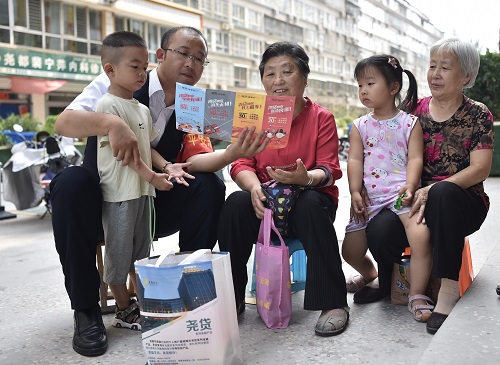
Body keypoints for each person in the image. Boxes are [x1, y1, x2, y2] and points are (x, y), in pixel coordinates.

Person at [50, 26, 268, 357]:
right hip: (103, 201)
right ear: (161, 55)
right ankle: (86, 312)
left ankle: (190, 297)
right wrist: (112, 124)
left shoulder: (194, 104)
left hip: (151, 204)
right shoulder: (117, 81)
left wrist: (231, 153)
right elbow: (63, 124)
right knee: (68, 183)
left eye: (200, 59)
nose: (191, 64)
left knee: (208, 184)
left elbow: (198, 160)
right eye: (184, 53)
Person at [351, 38, 494, 335]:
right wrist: (363, 184)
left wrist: (430, 189)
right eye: (432, 66)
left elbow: (480, 169)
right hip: (409, 200)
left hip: (461, 201)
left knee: (441, 192)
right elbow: (379, 148)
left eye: (445, 67)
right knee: (379, 230)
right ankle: (386, 277)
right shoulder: (412, 110)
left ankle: (448, 288)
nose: (435, 73)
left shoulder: (478, 113)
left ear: (466, 76)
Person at [218, 41, 349, 337]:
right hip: (264, 203)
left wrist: (305, 179)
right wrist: (253, 188)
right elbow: (240, 164)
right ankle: (232, 298)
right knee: (234, 205)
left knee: (311, 203)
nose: (278, 80)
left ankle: (332, 302)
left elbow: (330, 170)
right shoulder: (253, 116)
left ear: (304, 78)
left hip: (307, 202)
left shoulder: (321, 118)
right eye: (270, 74)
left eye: (287, 72)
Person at [342, 55, 433, 322]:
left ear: (393, 88)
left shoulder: (409, 123)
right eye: (360, 85)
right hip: (369, 199)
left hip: (398, 197)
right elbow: (355, 159)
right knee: (349, 251)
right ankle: (372, 275)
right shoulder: (360, 125)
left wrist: (411, 185)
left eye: (370, 83)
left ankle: (416, 294)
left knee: (420, 237)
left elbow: (416, 158)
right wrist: (355, 191)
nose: (363, 91)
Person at [96, 31, 175, 331]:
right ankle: (123, 309)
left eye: (145, 67)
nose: (142, 73)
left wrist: (166, 168)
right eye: (134, 66)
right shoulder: (108, 105)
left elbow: (148, 147)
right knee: (118, 253)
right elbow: (125, 156)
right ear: (110, 69)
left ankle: (138, 303)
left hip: (142, 193)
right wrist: (154, 177)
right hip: (120, 194)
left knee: (141, 252)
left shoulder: (141, 109)